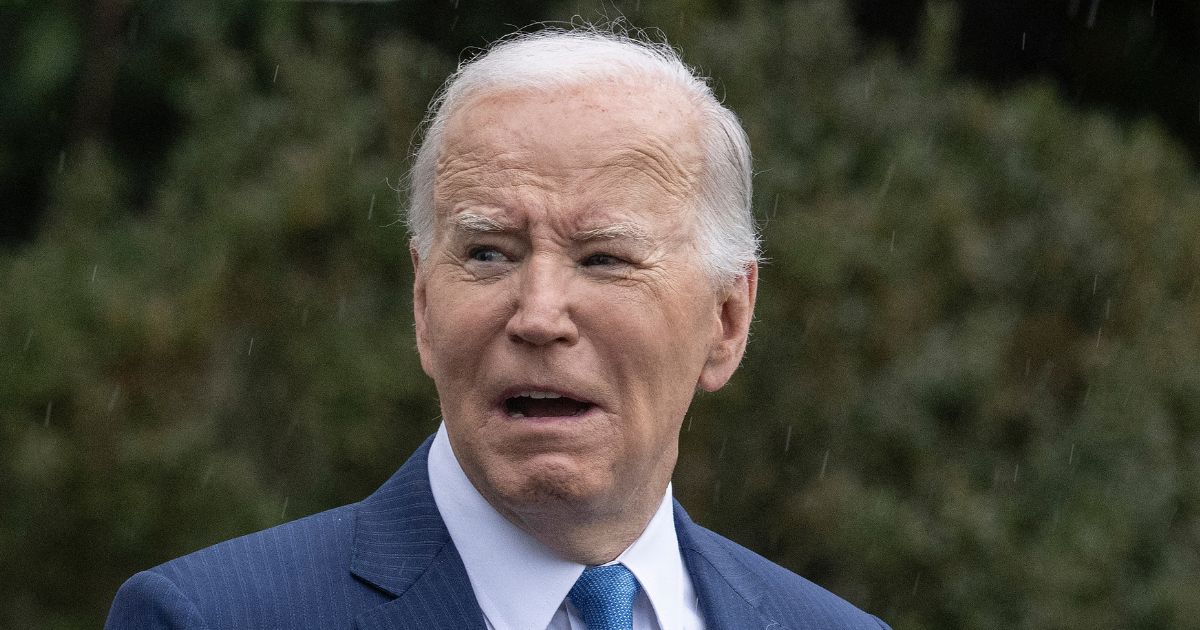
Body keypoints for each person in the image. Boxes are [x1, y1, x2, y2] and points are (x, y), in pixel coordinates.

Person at [106, 27, 890, 630]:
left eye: (604, 258)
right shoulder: (213, 618)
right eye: (487, 252)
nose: (540, 315)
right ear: (422, 302)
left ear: (726, 320)